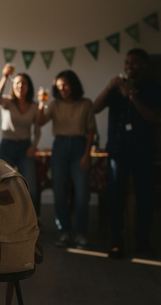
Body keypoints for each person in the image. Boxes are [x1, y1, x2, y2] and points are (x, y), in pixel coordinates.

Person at [94, 48, 160, 259]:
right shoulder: (115, 89)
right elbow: (94, 108)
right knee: (115, 197)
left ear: (144, 66)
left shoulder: (153, 88)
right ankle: (116, 242)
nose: (129, 66)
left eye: (134, 62)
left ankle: (142, 242)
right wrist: (110, 86)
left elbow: (155, 118)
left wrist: (133, 98)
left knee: (145, 197)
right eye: (127, 62)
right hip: (117, 151)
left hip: (143, 150)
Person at [36, 70, 96, 249]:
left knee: (82, 194)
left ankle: (81, 234)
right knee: (59, 193)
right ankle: (64, 232)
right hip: (60, 147)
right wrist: (41, 103)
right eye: (59, 86)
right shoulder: (54, 104)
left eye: (66, 85)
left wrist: (87, 155)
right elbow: (39, 122)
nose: (62, 89)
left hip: (80, 147)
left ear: (74, 84)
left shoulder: (86, 104)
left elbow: (91, 131)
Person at [0, 63, 41, 216]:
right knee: (3, 185)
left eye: (24, 83)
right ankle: (5, 220)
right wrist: (5, 77)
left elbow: (38, 128)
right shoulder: (7, 102)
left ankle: (33, 222)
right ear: (13, 86)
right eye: (17, 83)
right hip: (7, 146)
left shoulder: (34, 106)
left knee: (31, 187)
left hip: (25, 148)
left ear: (29, 86)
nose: (21, 86)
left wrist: (34, 146)